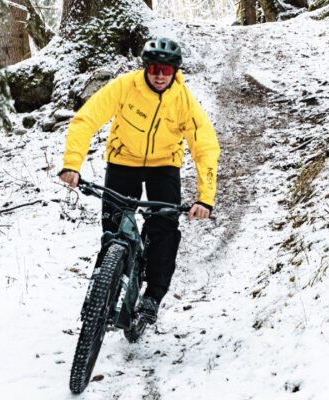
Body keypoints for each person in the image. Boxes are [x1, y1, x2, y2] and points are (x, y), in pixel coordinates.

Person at [59, 37, 220, 323]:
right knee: (112, 232)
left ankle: (152, 296)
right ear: (146, 67)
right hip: (123, 162)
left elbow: (205, 146)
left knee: (164, 229)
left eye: (167, 70)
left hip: (164, 167)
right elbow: (87, 119)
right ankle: (102, 294)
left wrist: (205, 197)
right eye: (155, 68)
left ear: (175, 72)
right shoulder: (125, 87)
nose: (160, 75)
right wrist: (72, 164)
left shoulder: (183, 101)